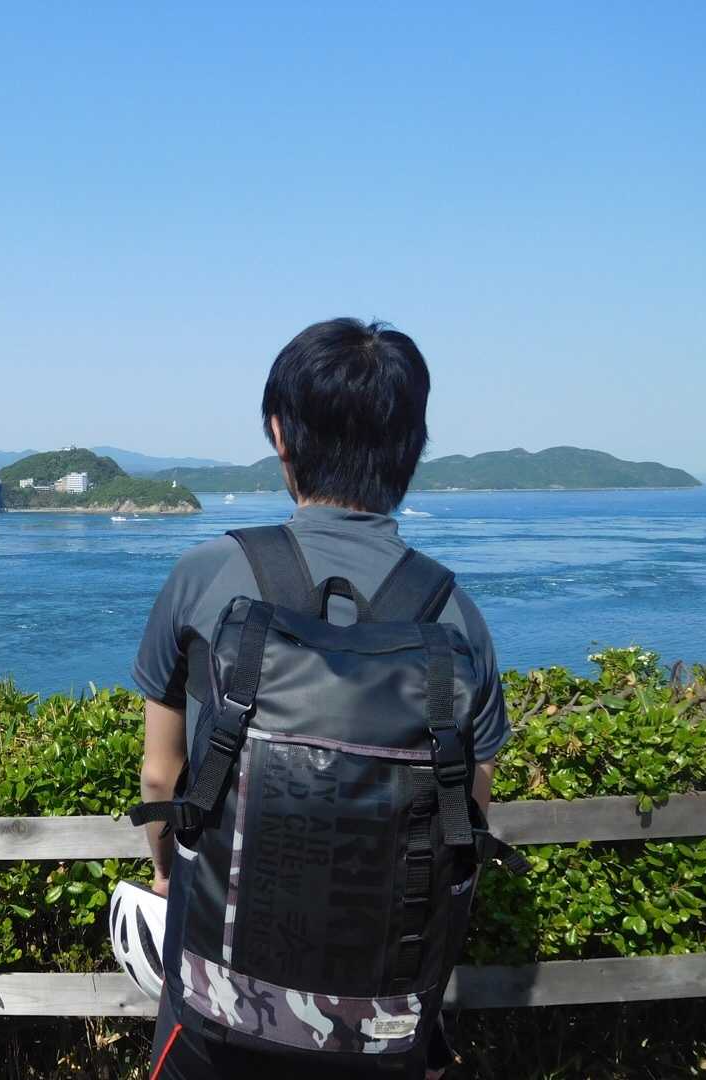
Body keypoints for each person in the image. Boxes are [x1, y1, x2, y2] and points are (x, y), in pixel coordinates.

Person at [132, 319, 509, 1079]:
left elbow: (159, 778)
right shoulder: (455, 617)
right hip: (383, 1024)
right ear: (414, 445)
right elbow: (466, 817)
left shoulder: (206, 576)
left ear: (279, 433)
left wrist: (169, 875)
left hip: (216, 1013)